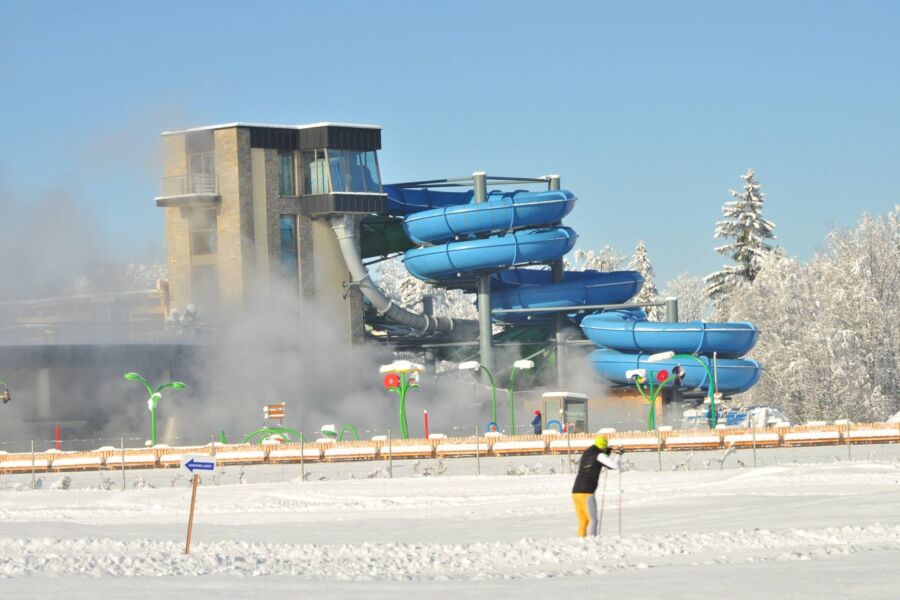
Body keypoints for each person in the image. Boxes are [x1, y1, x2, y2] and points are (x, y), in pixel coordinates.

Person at [571, 435, 621, 537]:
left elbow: (596, 461)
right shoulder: (599, 455)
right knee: (592, 519)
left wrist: (606, 452)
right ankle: (591, 542)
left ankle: (580, 542)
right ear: (603, 447)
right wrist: (618, 454)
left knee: (583, 520)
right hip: (587, 492)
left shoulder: (588, 452)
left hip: (576, 492)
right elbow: (614, 465)